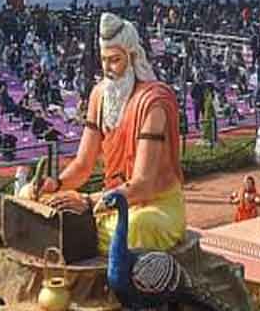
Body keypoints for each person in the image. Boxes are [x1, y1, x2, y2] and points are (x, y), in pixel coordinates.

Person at [42, 13, 185, 253]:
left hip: (153, 206)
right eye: (103, 60)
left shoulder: (153, 103)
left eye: (115, 60)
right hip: (109, 201)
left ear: (132, 57)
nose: (108, 69)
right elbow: (83, 164)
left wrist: (87, 202)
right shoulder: (99, 95)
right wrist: (56, 185)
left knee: (137, 226)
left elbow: (143, 185)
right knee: (33, 197)